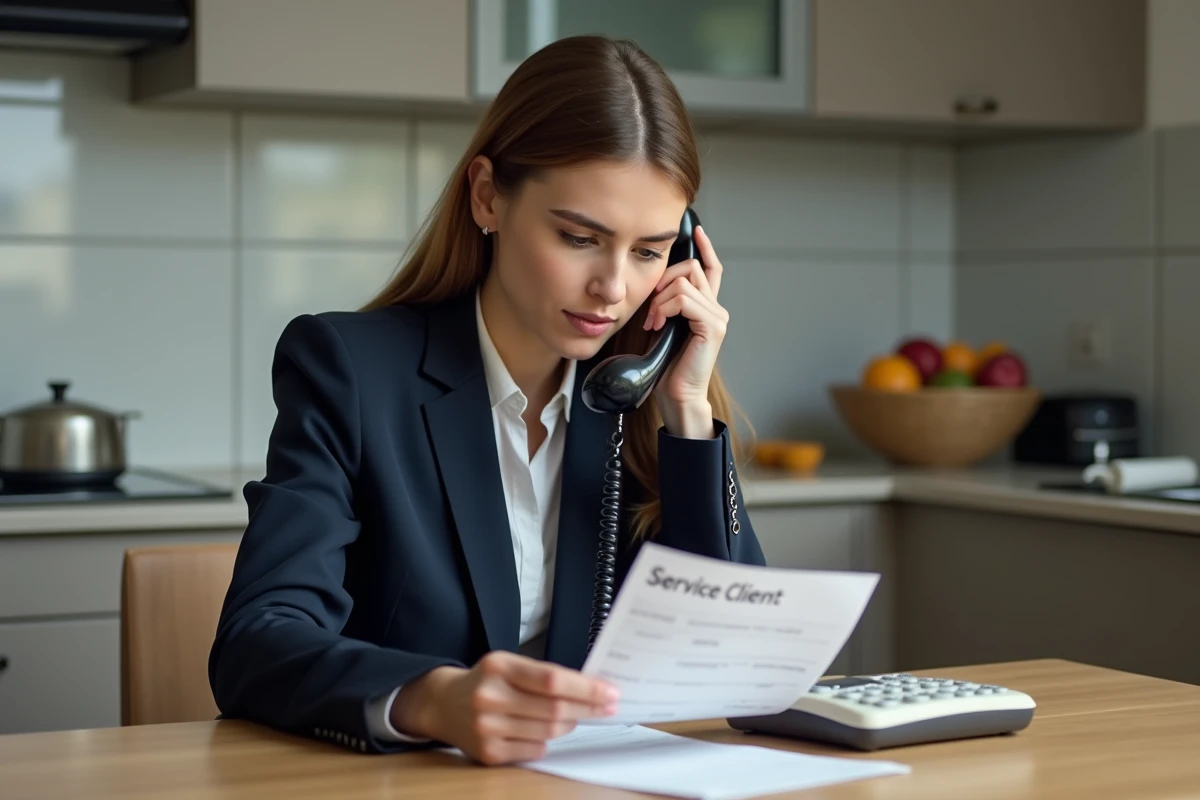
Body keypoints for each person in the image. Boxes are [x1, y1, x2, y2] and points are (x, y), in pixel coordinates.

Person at [208, 34, 765, 766]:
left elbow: (739, 659)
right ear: (487, 197)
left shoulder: (631, 399)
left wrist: (687, 411)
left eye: (649, 251)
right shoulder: (350, 370)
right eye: (579, 238)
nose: (613, 288)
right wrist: (432, 699)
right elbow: (257, 639)